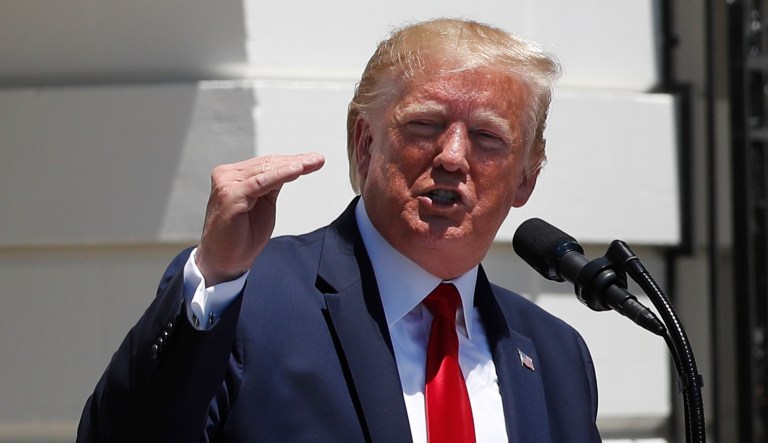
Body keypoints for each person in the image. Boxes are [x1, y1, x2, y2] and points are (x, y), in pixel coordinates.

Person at [77, 18, 601, 442]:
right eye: (424, 125)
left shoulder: (555, 354)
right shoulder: (243, 298)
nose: (452, 156)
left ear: (525, 179)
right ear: (365, 143)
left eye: (487, 137)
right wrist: (215, 275)